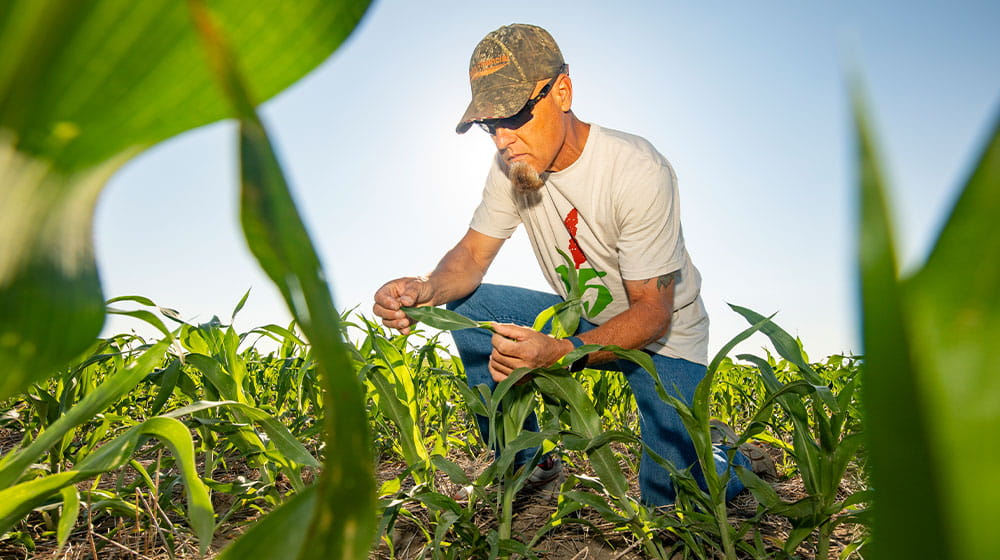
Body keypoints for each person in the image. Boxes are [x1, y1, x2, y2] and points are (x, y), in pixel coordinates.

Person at [373, 23, 762, 506]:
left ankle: (728, 458)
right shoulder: (512, 168)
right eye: (489, 125)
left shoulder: (637, 169)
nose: (502, 139)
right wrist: (425, 289)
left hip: (665, 338)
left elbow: (651, 313)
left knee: (672, 500)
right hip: (581, 317)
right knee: (468, 306)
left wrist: (558, 352)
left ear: (562, 90)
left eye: (514, 115)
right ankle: (526, 463)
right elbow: (471, 257)